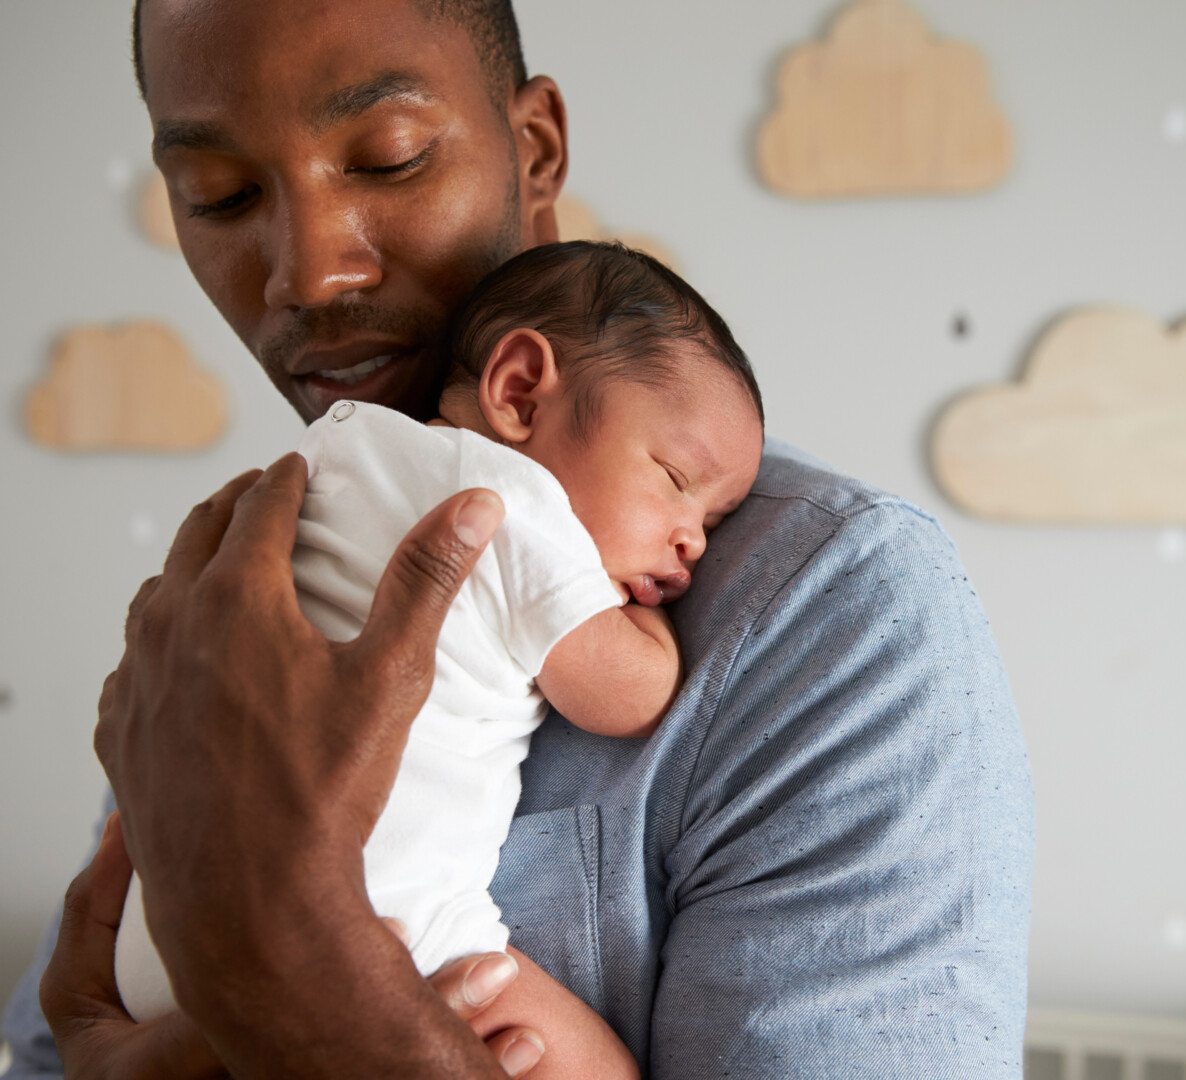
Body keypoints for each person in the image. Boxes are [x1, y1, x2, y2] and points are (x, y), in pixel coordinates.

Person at [2, 0, 1036, 1076]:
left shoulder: (834, 612)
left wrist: (310, 978)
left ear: (533, 150)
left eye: (389, 160)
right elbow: (64, 1034)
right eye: (219, 195)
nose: (307, 274)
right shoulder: (243, 581)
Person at [111, 240, 765, 1080]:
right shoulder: (516, 505)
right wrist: (652, 624)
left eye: (715, 519)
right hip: (384, 932)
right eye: (677, 478)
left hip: (158, 943)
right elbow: (629, 695)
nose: (693, 540)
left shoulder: (335, 452)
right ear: (520, 390)